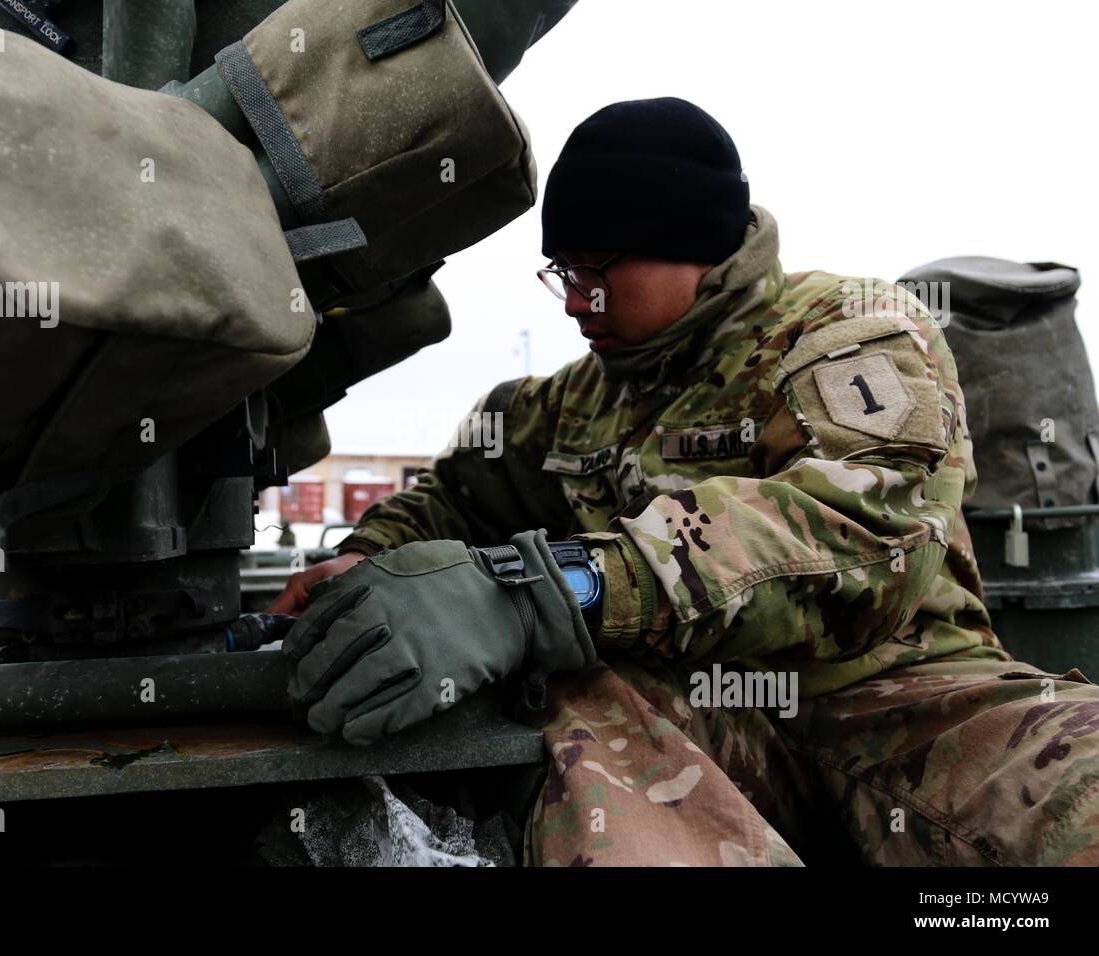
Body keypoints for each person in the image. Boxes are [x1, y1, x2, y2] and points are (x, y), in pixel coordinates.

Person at [269, 98, 1099, 866]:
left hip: (908, 704)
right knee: (568, 702)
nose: (572, 302)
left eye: (595, 269)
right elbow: (454, 499)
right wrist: (364, 567)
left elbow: (860, 536)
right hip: (698, 722)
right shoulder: (569, 405)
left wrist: (548, 591)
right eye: (561, 270)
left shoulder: (851, 334)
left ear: (690, 245)